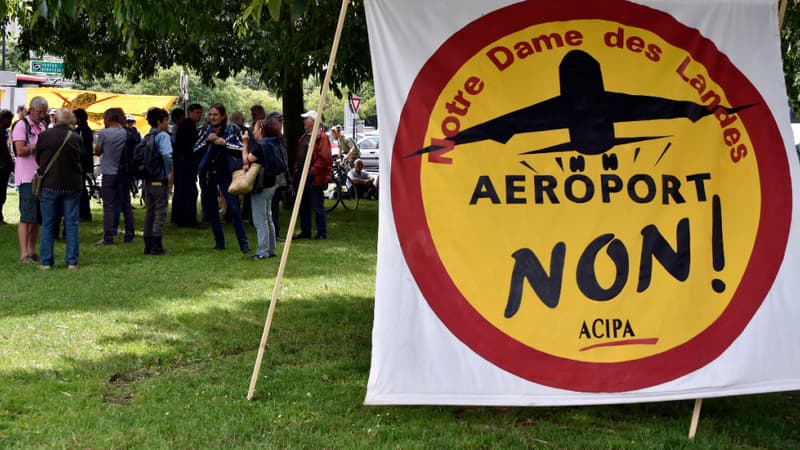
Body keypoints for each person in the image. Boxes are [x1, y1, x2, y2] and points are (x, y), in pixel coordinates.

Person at [193, 103, 251, 253]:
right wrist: (208, 141)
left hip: (227, 174)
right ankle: (219, 243)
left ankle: (244, 245)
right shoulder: (205, 130)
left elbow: (241, 149)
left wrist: (225, 144)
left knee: (234, 209)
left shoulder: (233, 129)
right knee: (212, 209)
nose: (212, 117)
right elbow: (194, 150)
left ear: (223, 116)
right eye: (210, 114)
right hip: (208, 174)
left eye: (215, 115)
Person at [35, 109, 83, 270]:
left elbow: (38, 158)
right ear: (70, 121)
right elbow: (79, 159)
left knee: (48, 223)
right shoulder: (76, 138)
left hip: (50, 184)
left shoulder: (44, 136)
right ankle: (72, 261)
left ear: (55, 119)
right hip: (72, 184)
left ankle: (46, 262)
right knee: (71, 223)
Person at [12, 96, 49, 264]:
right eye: (39, 112)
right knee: (27, 216)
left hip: (41, 177)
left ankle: (32, 251)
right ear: (31, 109)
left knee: (37, 218)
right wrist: (39, 144)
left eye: (44, 112)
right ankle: (24, 253)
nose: (42, 115)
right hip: (26, 178)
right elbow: (20, 150)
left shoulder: (42, 126)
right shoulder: (21, 126)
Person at [243, 113, 282, 260]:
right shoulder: (274, 142)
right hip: (271, 184)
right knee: (268, 217)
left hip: (260, 185)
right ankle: (271, 249)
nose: (253, 132)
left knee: (260, 220)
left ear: (261, 130)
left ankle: (263, 251)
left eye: (255, 129)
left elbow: (247, 160)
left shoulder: (261, 146)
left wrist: (245, 144)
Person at [95, 108, 135, 244]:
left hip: (108, 173)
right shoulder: (126, 133)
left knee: (109, 206)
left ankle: (109, 236)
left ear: (108, 118)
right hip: (124, 173)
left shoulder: (104, 133)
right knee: (126, 204)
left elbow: (98, 151)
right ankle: (130, 234)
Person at [294, 110, 331, 240]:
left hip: (315, 177)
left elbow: (324, 158)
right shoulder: (304, 137)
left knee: (317, 205)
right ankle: (306, 231)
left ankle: (321, 232)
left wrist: (312, 172)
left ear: (313, 122)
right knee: (303, 204)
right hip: (303, 173)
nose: (304, 121)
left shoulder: (322, 137)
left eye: (306, 119)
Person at [142, 108, 174, 256]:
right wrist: (169, 172)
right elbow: (167, 155)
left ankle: (147, 245)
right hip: (159, 179)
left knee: (150, 211)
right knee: (160, 212)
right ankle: (157, 246)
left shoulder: (147, 136)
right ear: (160, 121)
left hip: (148, 180)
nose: (168, 123)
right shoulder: (163, 136)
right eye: (166, 120)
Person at [171, 103, 202, 227]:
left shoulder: (189, 125)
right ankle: (187, 219)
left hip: (185, 163)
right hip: (185, 164)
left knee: (184, 191)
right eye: (197, 112)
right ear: (190, 112)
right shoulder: (187, 126)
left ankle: (181, 217)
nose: (199, 115)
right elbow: (186, 146)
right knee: (188, 192)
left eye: (200, 113)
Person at [73, 109, 94, 222]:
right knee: (82, 188)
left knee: (80, 189)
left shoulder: (81, 130)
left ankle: (84, 213)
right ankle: (84, 213)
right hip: (85, 162)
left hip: (81, 162)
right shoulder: (86, 129)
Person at [0, 110, 14, 226]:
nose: (9, 122)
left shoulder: (5, 132)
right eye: (8, 119)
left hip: (5, 167)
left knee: (2, 194)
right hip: (2, 167)